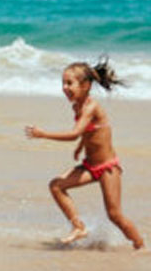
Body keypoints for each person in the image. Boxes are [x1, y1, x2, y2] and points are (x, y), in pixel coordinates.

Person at [25, 58, 144, 250]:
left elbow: (74, 133)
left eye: (69, 83)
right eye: (63, 83)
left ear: (86, 86)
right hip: (90, 166)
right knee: (56, 186)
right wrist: (82, 146)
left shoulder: (91, 107)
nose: (65, 87)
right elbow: (90, 131)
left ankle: (140, 246)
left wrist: (43, 134)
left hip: (107, 168)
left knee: (114, 215)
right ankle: (78, 227)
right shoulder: (77, 106)